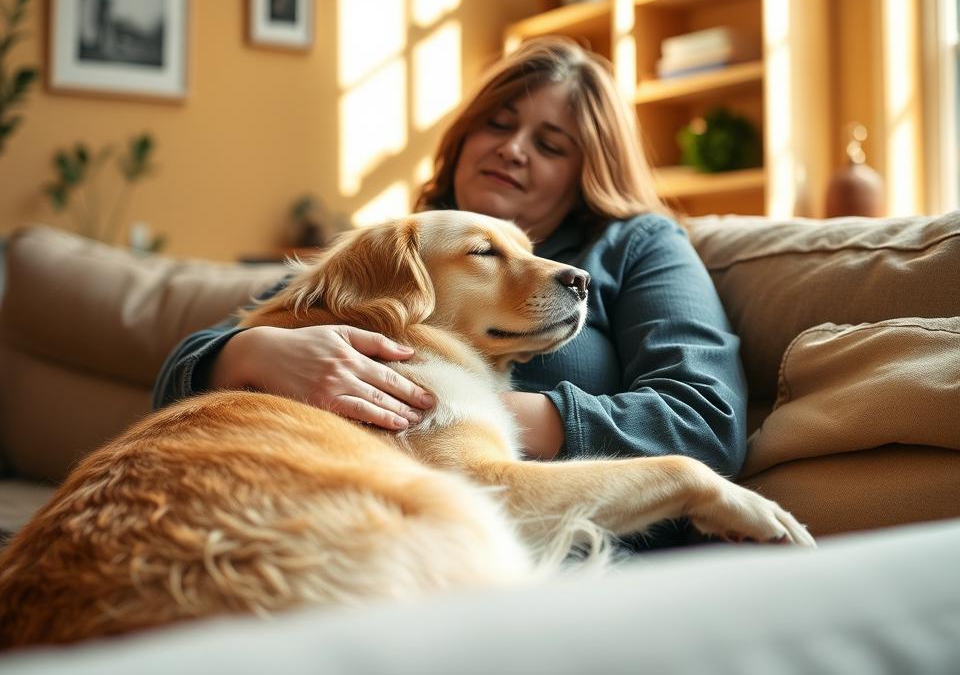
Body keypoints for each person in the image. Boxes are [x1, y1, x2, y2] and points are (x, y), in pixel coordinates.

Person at [154, 38, 747, 538]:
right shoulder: (391, 249)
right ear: (463, 137)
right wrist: (259, 353)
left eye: (549, 145)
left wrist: (453, 409)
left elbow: (706, 418)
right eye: (499, 124)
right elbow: (179, 375)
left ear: (586, 168)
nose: (513, 149)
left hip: (542, 527)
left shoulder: (635, 245)